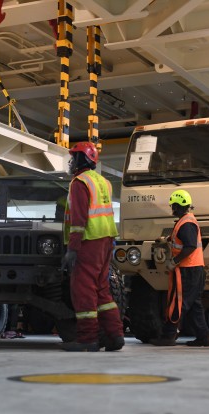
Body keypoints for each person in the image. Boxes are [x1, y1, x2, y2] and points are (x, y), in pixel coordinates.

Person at [60, 141, 124, 352]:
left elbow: (78, 219)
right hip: (106, 240)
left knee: (83, 290)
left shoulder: (80, 182)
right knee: (102, 292)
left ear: (82, 159)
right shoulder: (103, 182)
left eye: (73, 157)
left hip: (89, 241)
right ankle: (114, 336)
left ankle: (87, 339)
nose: (71, 161)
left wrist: (72, 249)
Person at [150, 189, 209, 347]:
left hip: (188, 270)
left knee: (178, 303)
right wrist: (166, 240)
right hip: (194, 269)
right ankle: (203, 337)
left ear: (177, 206)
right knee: (194, 305)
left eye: (173, 206)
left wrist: (174, 261)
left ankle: (168, 336)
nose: (172, 208)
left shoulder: (186, 223)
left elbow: (190, 246)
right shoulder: (186, 221)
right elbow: (181, 240)